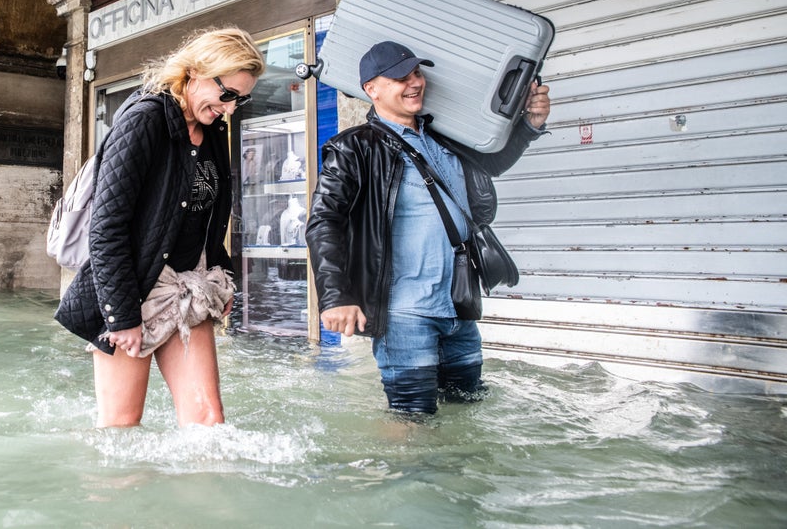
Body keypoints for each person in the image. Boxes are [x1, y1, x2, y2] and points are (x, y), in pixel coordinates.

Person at [305, 40, 551, 415]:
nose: (414, 82)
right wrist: (336, 295)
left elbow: (492, 165)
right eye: (400, 77)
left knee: (467, 410)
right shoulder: (354, 148)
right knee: (411, 417)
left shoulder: (445, 138)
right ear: (372, 89)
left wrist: (530, 125)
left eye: (417, 73)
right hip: (405, 313)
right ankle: (403, 475)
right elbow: (324, 222)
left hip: (459, 307)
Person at [54, 27, 266, 428]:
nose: (231, 108)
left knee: (208, 423)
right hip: (132, 289)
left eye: (241, 98)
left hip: (189, 286)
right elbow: (106, 227)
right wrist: (122, 316)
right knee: (122, 427)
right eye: (227, 94)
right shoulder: (144, 119)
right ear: (196, 73)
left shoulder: (214, 130)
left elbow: (210, 216)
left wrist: (222, 277)